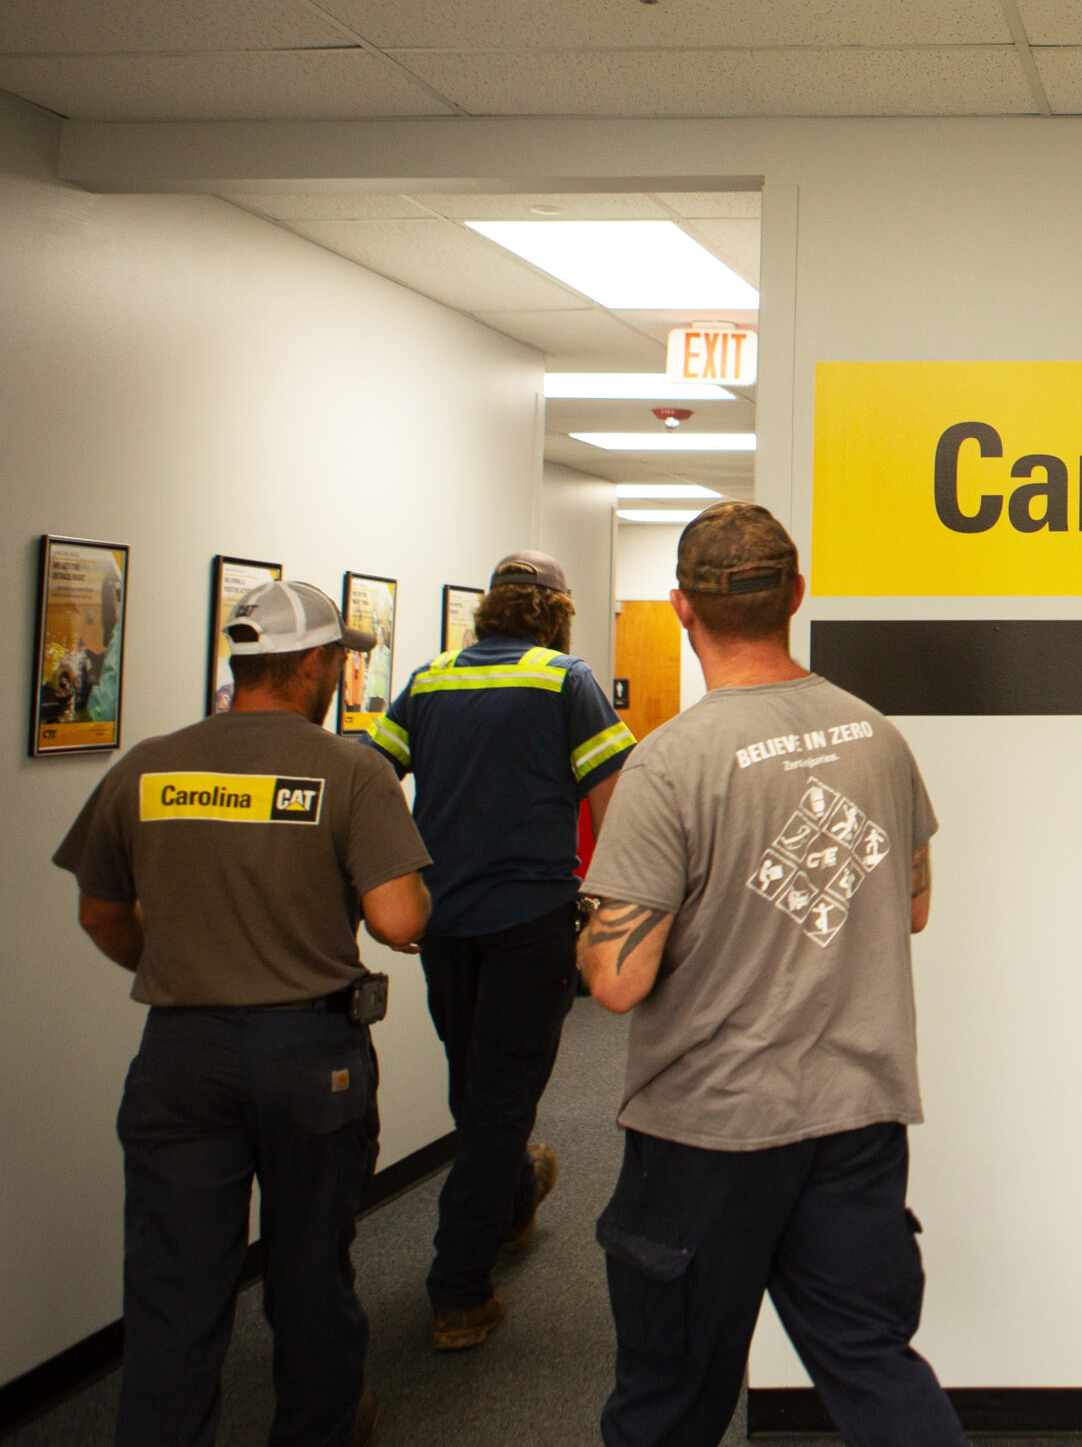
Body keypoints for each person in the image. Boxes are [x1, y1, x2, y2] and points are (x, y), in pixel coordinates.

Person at [577, 502, 965, 1447]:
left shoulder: (669, 764)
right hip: (855, 1115)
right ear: (795, 596)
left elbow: (617, 981)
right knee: (876, 1371)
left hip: (710, 1128)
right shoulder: (876, 736)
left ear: (680, 608)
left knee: (668, 1403)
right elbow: (911, 904)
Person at [54, 580, 433, 1447]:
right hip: (310, 1053)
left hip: (180, 1053)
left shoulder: (151, 764)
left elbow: (100, 911)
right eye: (340, 659)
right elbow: (399, 918)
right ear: (312, 664)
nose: (342, 673)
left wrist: (181, 964)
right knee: (308, 1277)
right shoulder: (349, 768)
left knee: (173, 1291)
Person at [362, 549, 635, 1351]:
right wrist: (615, 907)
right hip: (528, 922)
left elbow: (373, 778)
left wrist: (397, 880)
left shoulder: (431, 677)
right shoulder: (564, 679)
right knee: (502, 1098)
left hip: (445, 922)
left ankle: (514, 1196)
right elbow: (615, 801)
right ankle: (458, 1289)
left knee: (476, 1084)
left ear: (487, 609)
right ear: (555, 612)